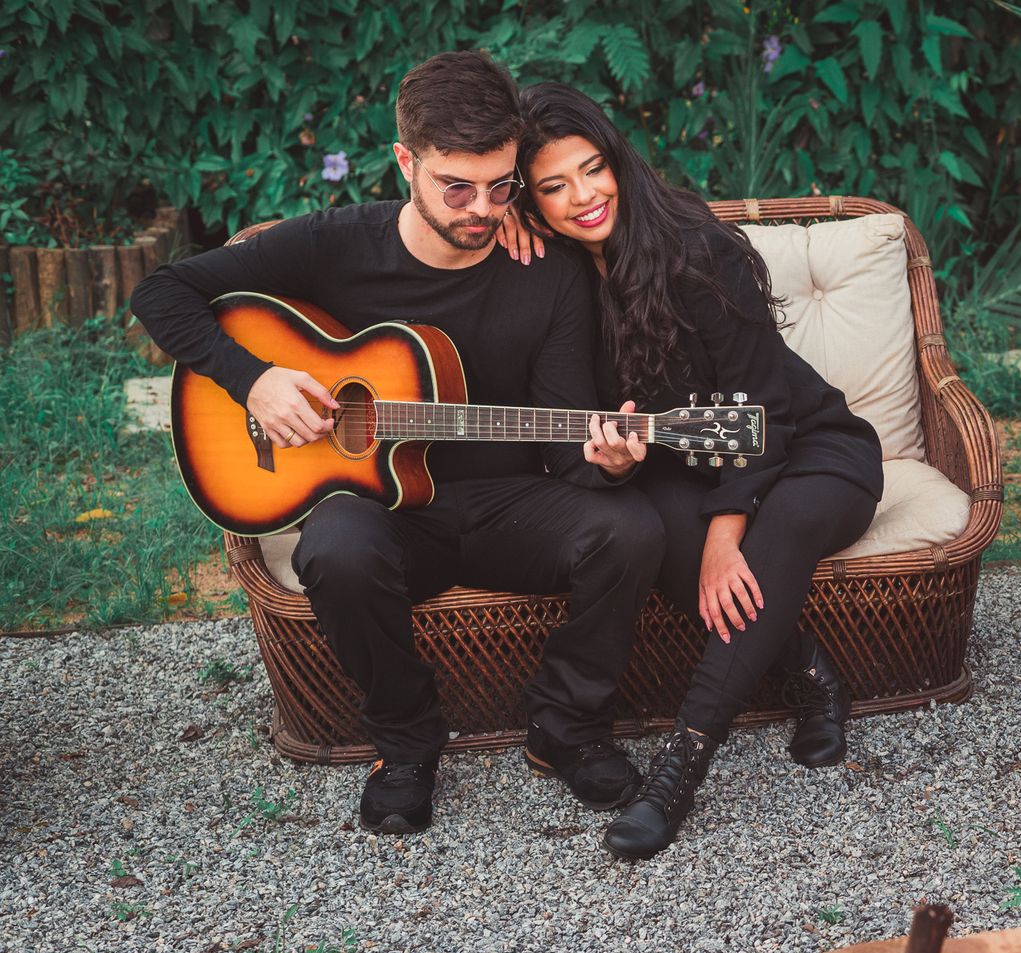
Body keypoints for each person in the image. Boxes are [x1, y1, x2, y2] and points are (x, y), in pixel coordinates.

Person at [132, 52, 665, 835]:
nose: (483, 209)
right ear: (405, 162)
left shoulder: (547, 272)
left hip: (510, 504)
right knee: (336, 549)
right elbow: (161, 292)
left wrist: (605, 459)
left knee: (632, 529)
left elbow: (563, 442)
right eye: (457, 187)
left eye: (502, 186)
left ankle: (567, 727)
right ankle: (407, 743)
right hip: (384, 511)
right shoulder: (335, 244)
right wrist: (255, 381)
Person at [502, 84, 884, 860]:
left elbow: (766, 404)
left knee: (781, 525)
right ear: (531, 204)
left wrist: (726, 531)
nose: (584, 196)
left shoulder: (699, 251)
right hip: (694, 470)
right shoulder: (559, 281)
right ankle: (807, 673)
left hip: (809, 448)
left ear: (617, 161)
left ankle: (680, 770)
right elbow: (581, 431)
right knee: (651, 524)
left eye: (592, 168)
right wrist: (608, 461)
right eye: (553, 186)